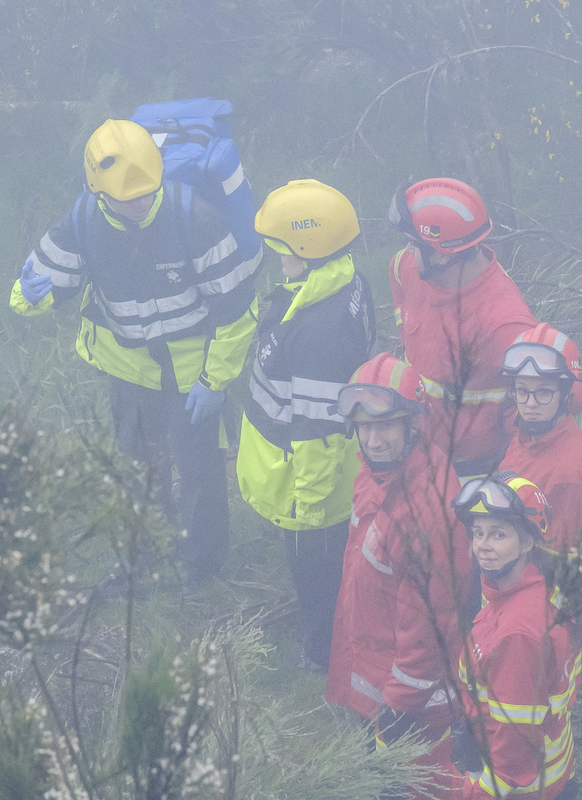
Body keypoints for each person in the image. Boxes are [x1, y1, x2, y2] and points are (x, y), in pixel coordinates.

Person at [10, 118, 260, 593]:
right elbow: (38, 289)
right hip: (127, 371)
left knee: (200, 470)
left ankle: (199, 570)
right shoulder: (83, 221)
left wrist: (215, 379)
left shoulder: (197, 220)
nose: (141, 202)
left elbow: (236, 310)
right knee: (138, 469)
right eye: (128, 197)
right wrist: (28, 293)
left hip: (193, 376)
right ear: (99, 191)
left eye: (148, 191)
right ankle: (145, 561)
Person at [236, 179, 375, 671]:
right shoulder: (346, 281)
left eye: (284, 251)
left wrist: (310, 506)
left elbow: (316, 432)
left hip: (309, 489)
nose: (279, 260)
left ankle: (322, 655)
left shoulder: (318, 330)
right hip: (319, 476)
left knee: (317, 575)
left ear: (309, 252)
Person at [326, 354, 470, 799]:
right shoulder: (376, 476)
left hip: (411, 697)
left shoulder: (427, 511)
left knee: (415, 785)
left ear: (412, 425)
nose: (373, 438)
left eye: (385, 425)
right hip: (377, 669)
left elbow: (431, 626)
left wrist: (398, 707)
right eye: (365, 427)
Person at [386, 178, 538, 480]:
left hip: (472, 474)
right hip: (415, 456)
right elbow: (401, 294)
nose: (406, 252)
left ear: (443, 254)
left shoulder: (506, 326)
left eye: (414, 244)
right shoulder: (407, 268)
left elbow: (542, 416)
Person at [450, 473, 577, 800]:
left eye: (498, 534)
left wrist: (474, 795)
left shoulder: (518, 632)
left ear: (528, 541)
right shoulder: (526, 588)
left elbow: (515, 756)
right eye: (477, 532)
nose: (482, 545)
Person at [497, 324, 582, 561]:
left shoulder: (567, 475)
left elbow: (557, 565)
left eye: (543, 392)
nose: (530, 404)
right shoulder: (529, 433)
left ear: (565, 393)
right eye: (522, 390)